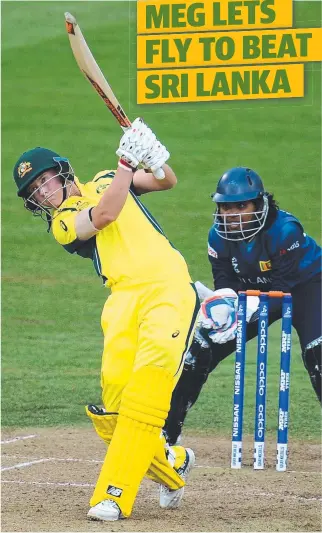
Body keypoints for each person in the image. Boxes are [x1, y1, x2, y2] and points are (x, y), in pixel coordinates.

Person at [13, 118, 199, 521]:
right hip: (122, 301)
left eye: (44, 181)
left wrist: (153, 156)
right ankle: (172, 463)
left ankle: (113, 495)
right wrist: (127, 164)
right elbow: (105, 215)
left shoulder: (104, 177)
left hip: (168, 289)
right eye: (35, 192)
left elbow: (166, 182)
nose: (43, 193)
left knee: (145, 396)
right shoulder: (63, 223)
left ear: (61, 171)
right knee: (114, 409)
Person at [164, 166, 321, 446]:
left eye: (241, 206)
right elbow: (226, 282)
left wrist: (249, 308)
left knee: (317, 353)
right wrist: (222, 305)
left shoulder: (285, 230)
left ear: (260, 203)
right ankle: (166, 433)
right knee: (201, 347)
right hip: (255, 294)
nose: (232, 215)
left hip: (307, 287)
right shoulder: (217, 237)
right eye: (226, 207)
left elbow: (284, 288)